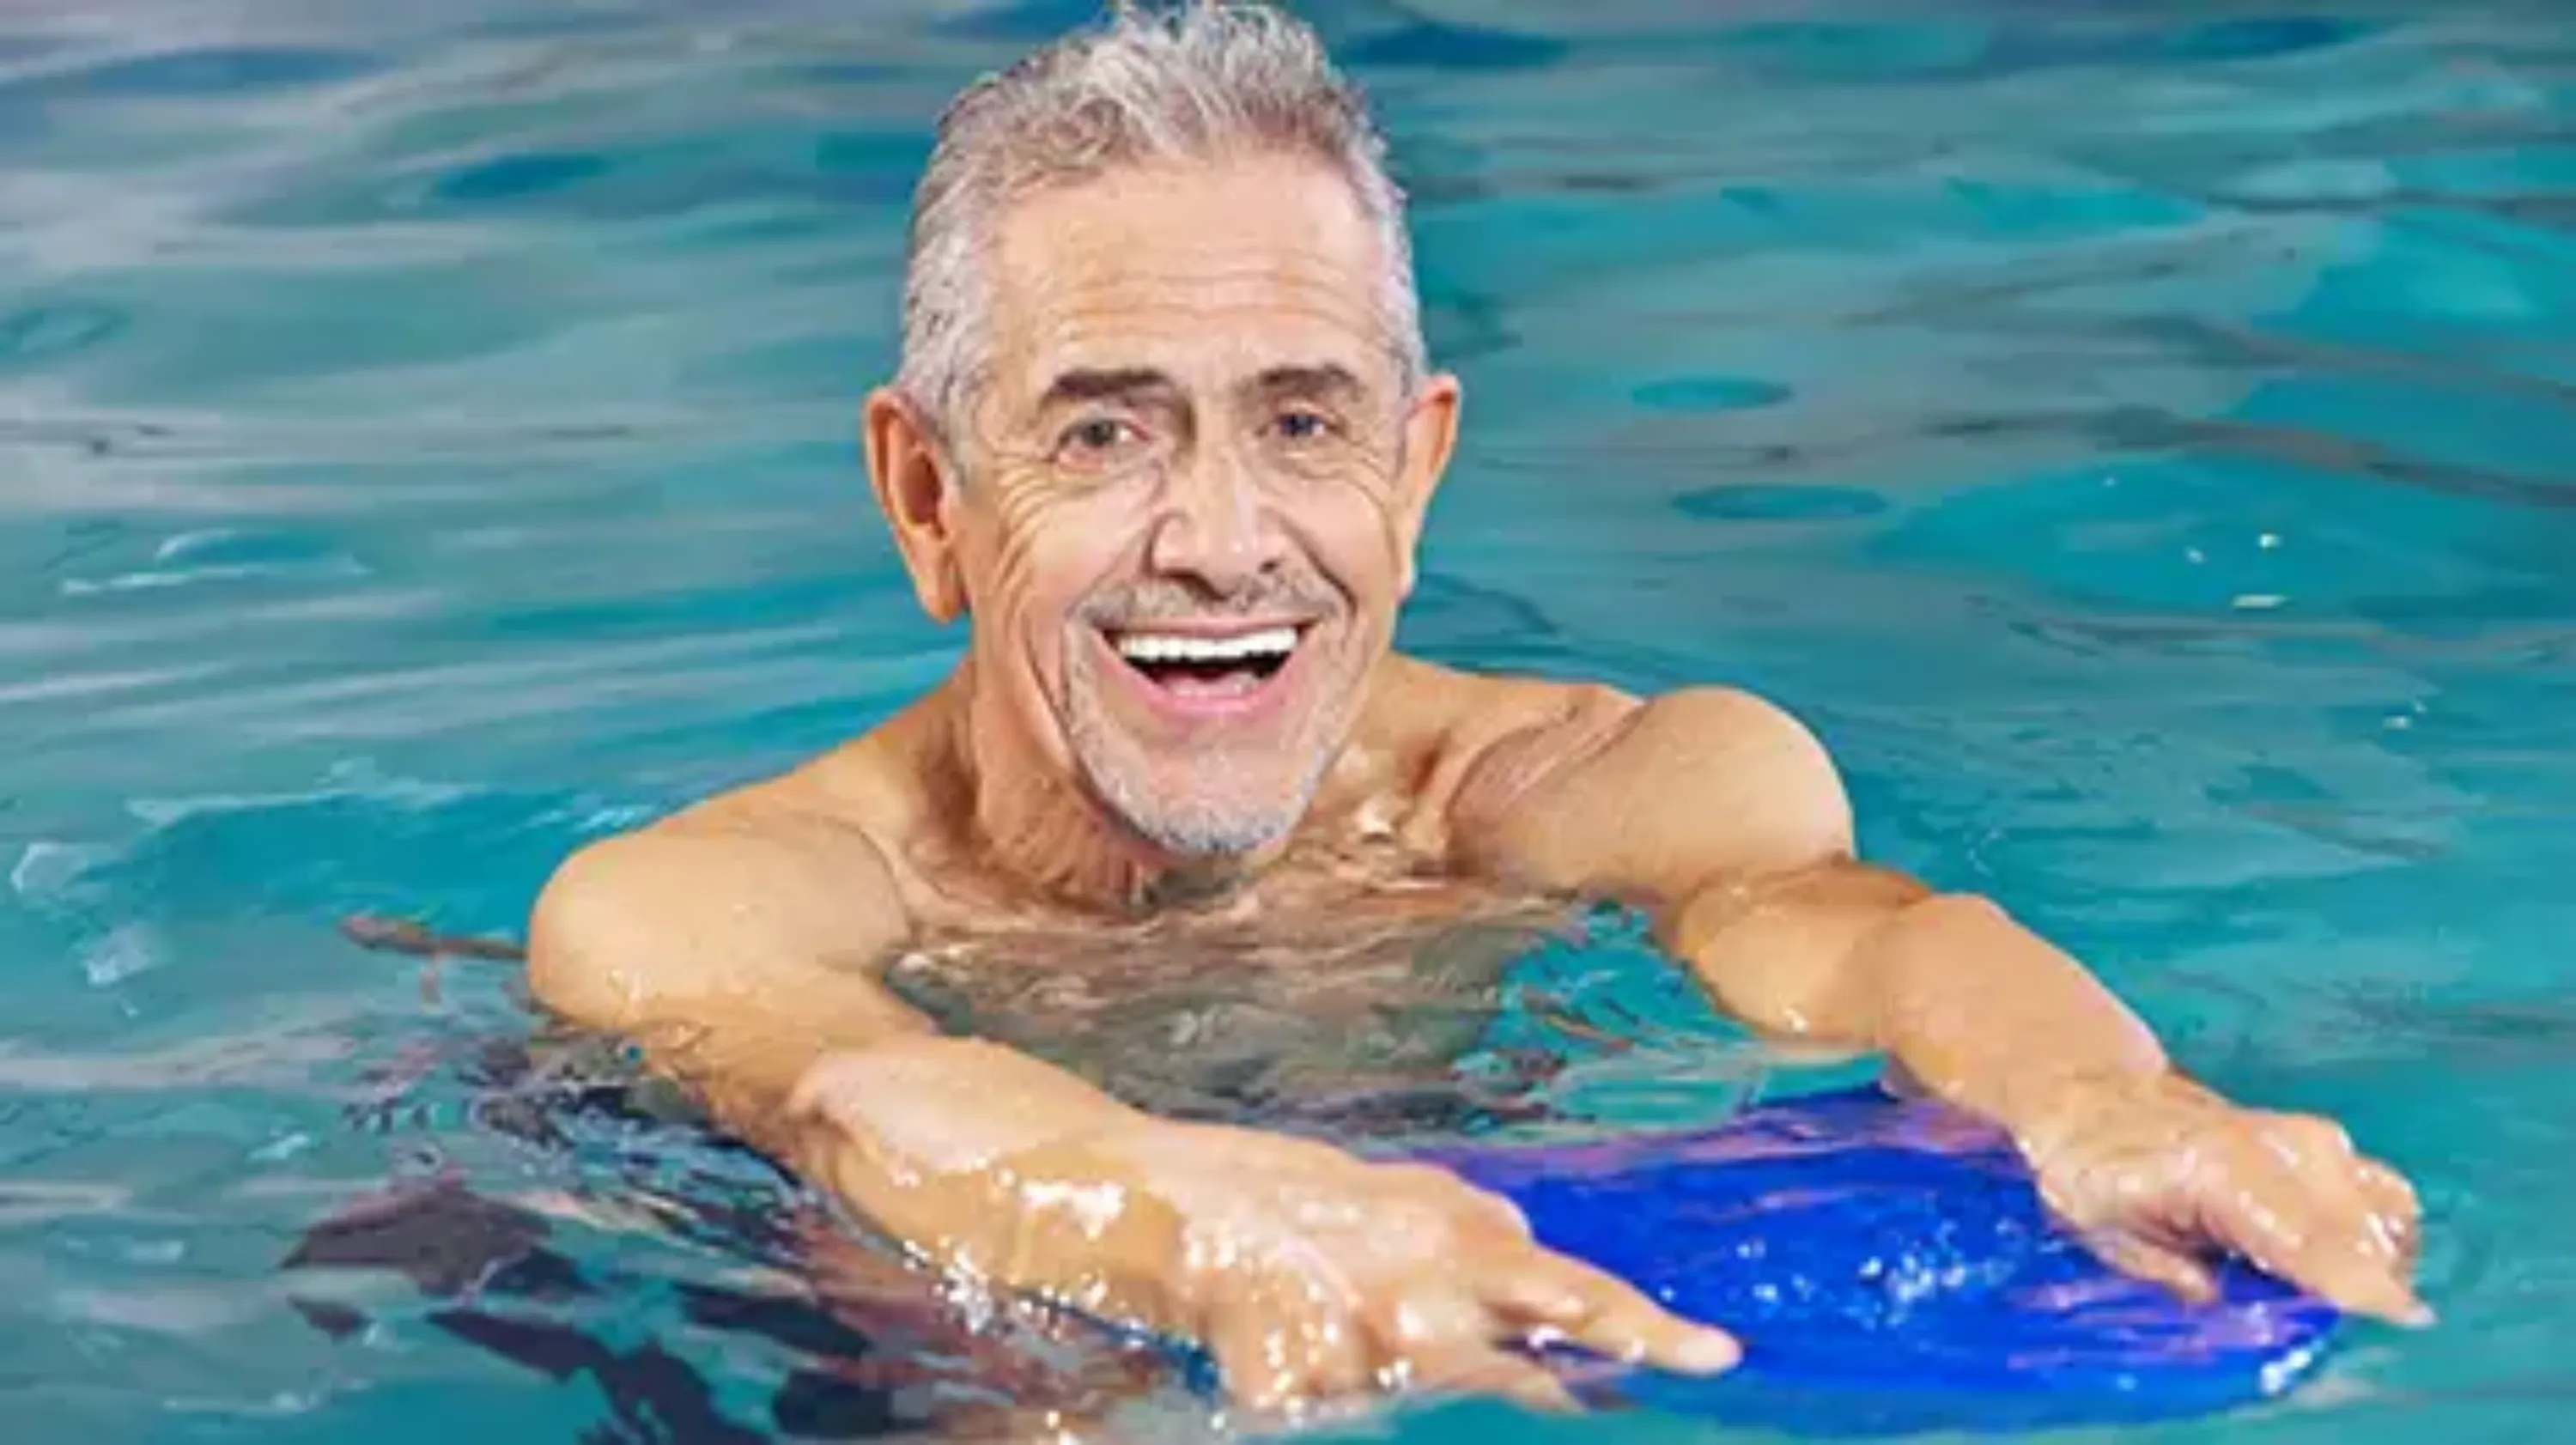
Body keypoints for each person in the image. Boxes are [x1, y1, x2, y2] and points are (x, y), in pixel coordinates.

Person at [518, 0, 2427, 1418]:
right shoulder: (704, 902)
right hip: (705, 1288)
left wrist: (2109, 1101)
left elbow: (1879, 942)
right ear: (929, 498)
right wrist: (1193, 1215)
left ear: (1416, 472)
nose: (1221, 541)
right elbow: (851, 1096)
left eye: (1303, 422)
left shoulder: (1585, 785)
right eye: (1102, 434)